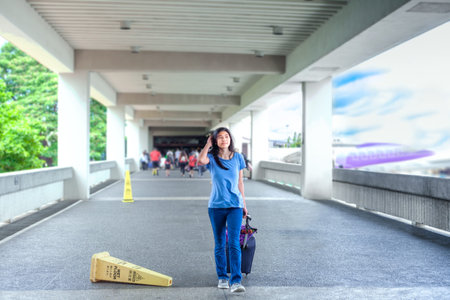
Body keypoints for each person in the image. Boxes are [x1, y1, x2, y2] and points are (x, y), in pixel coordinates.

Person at [198, 127, 247, 293]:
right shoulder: (211, 158)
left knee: (233, 243)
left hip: (235, 206)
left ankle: (236, 281)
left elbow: (240, 182)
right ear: (215, 140)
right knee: (220, 243)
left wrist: (244, 204)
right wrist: (207, 145)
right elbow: (200, 161)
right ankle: (222, 278)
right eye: (220, 137)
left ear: (230, 139)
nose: (224, 139)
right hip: (216, 206)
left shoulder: (238, 157)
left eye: (226, 137)